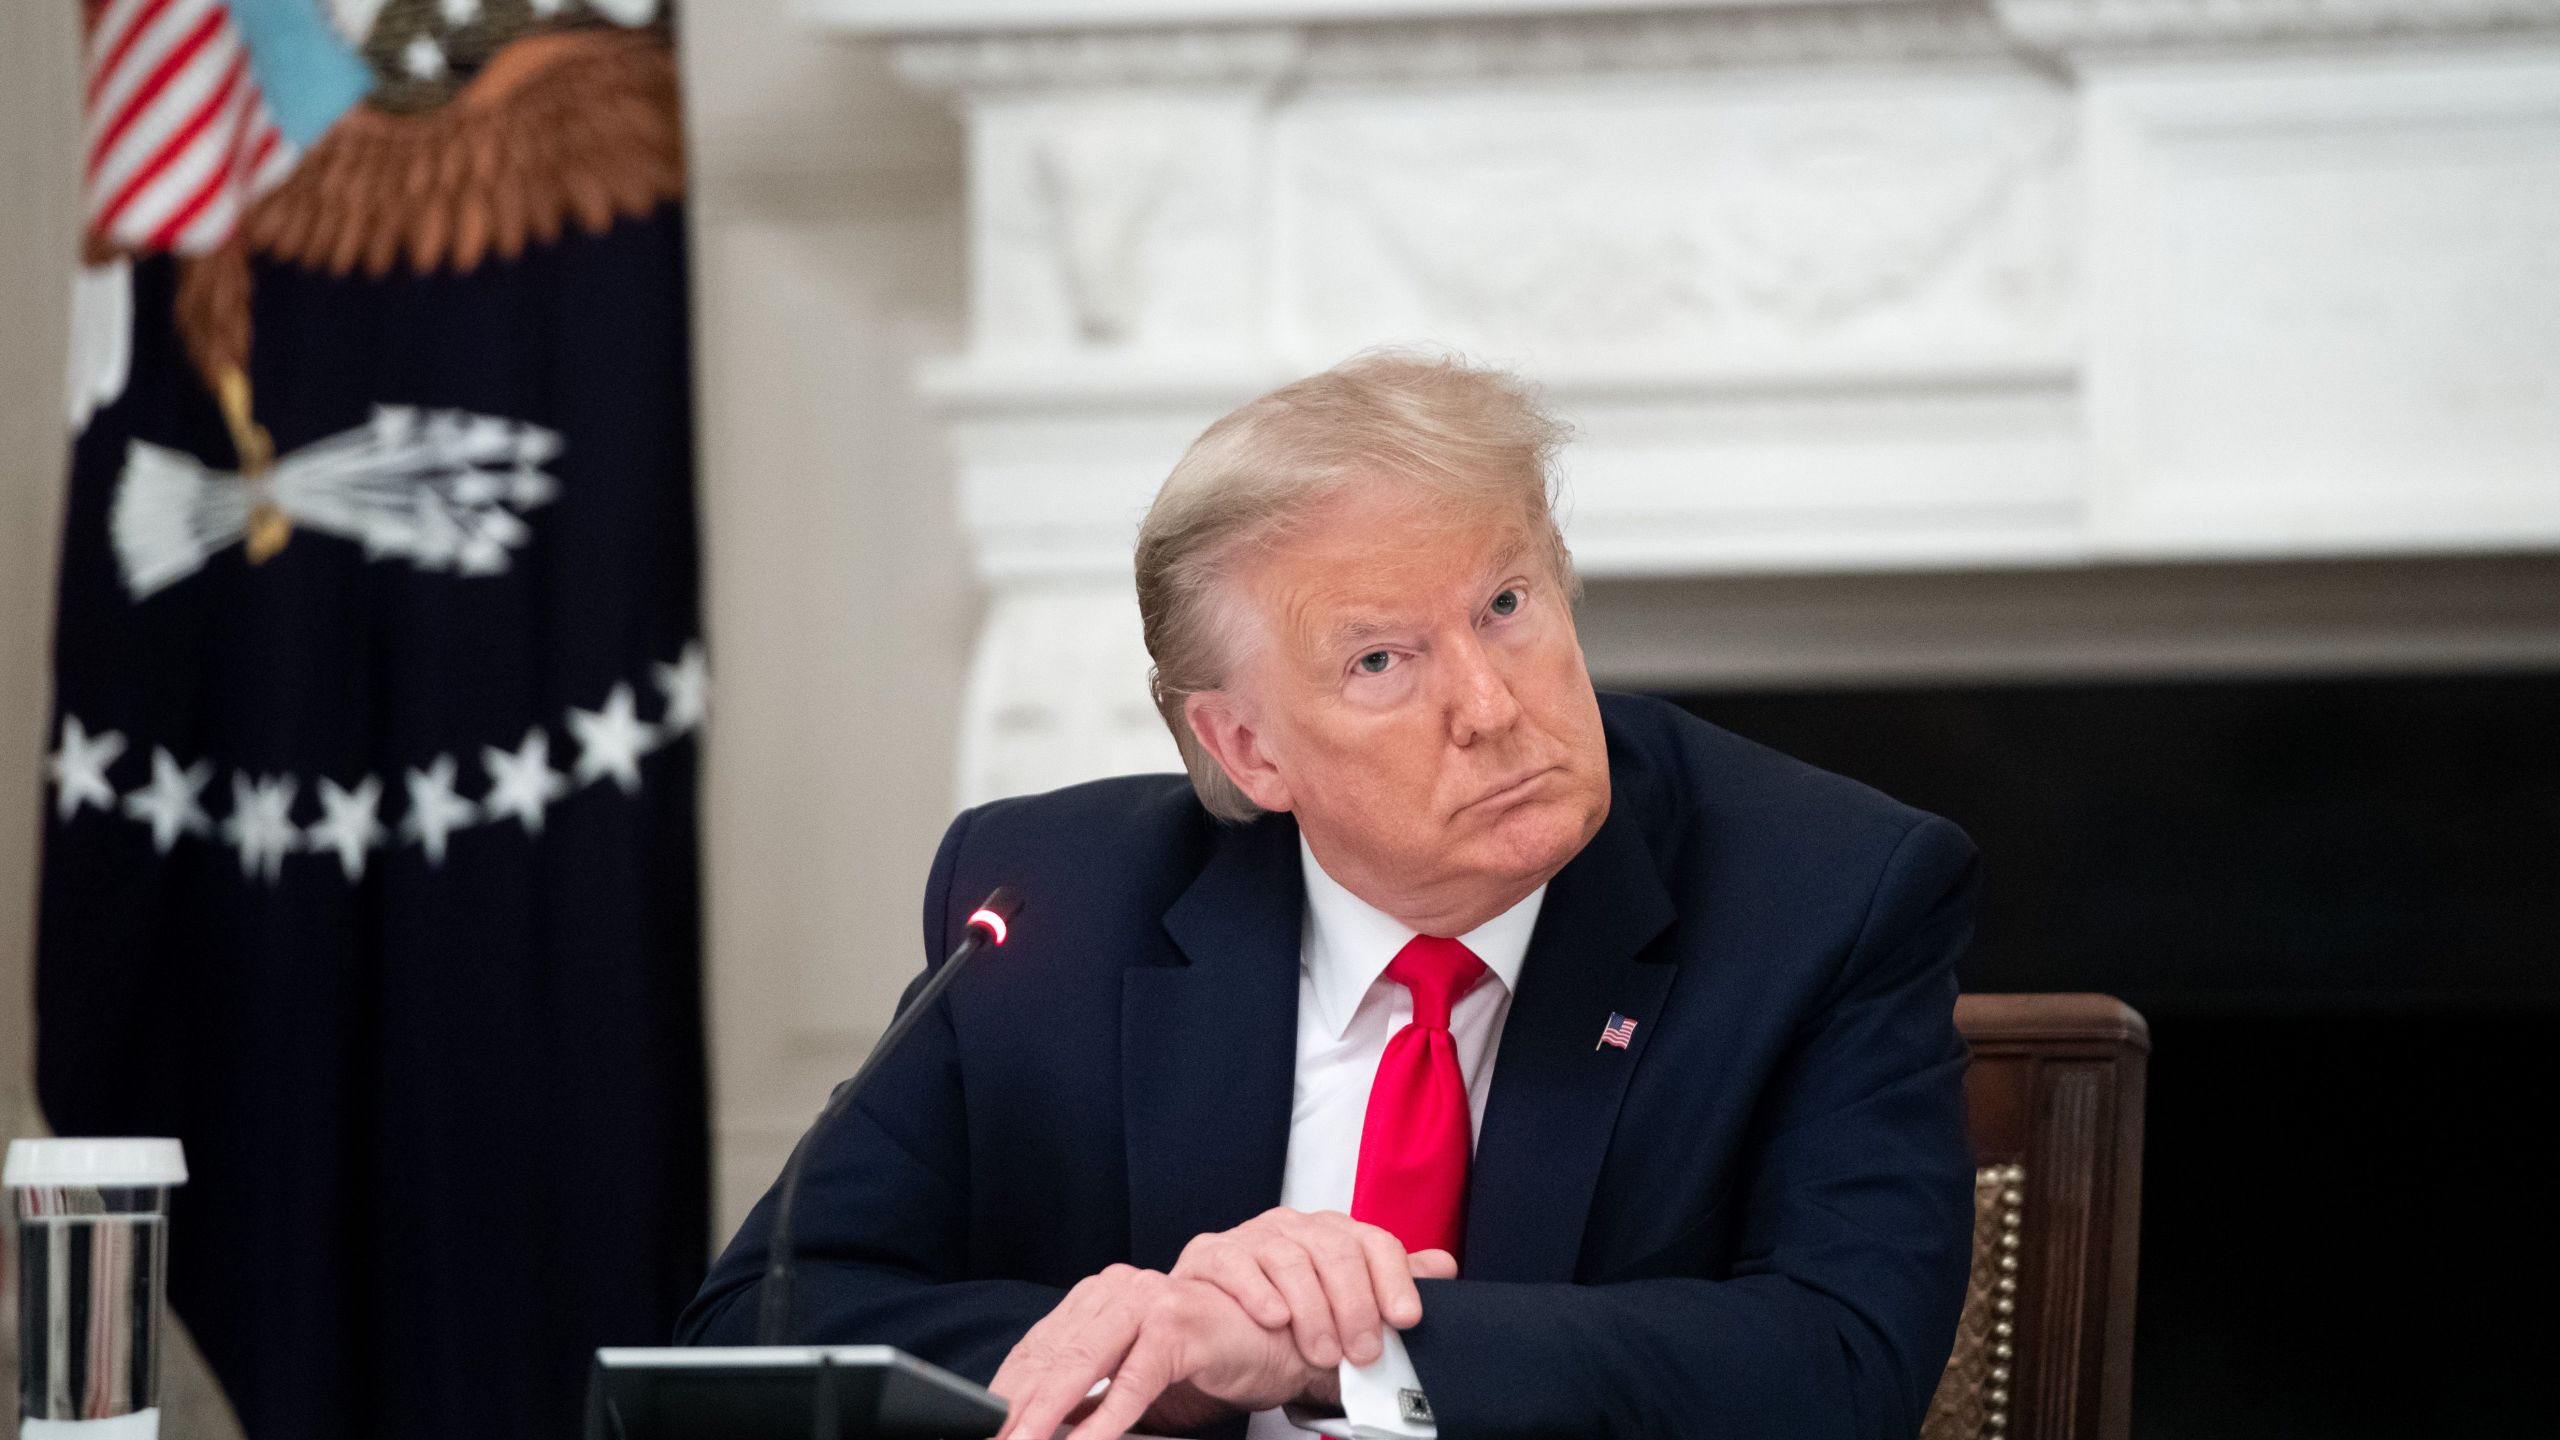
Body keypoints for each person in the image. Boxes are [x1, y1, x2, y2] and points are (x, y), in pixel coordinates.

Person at [679, 352, 1980, 1440]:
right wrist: (1159, 1348)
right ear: (1247, 749)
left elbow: (1838, 1364)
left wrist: (1339, 1351)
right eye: (1379, 660)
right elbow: (762, 1322)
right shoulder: (1056, 910)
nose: (1491, 706)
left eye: (1508, 603)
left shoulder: (1823, 894)